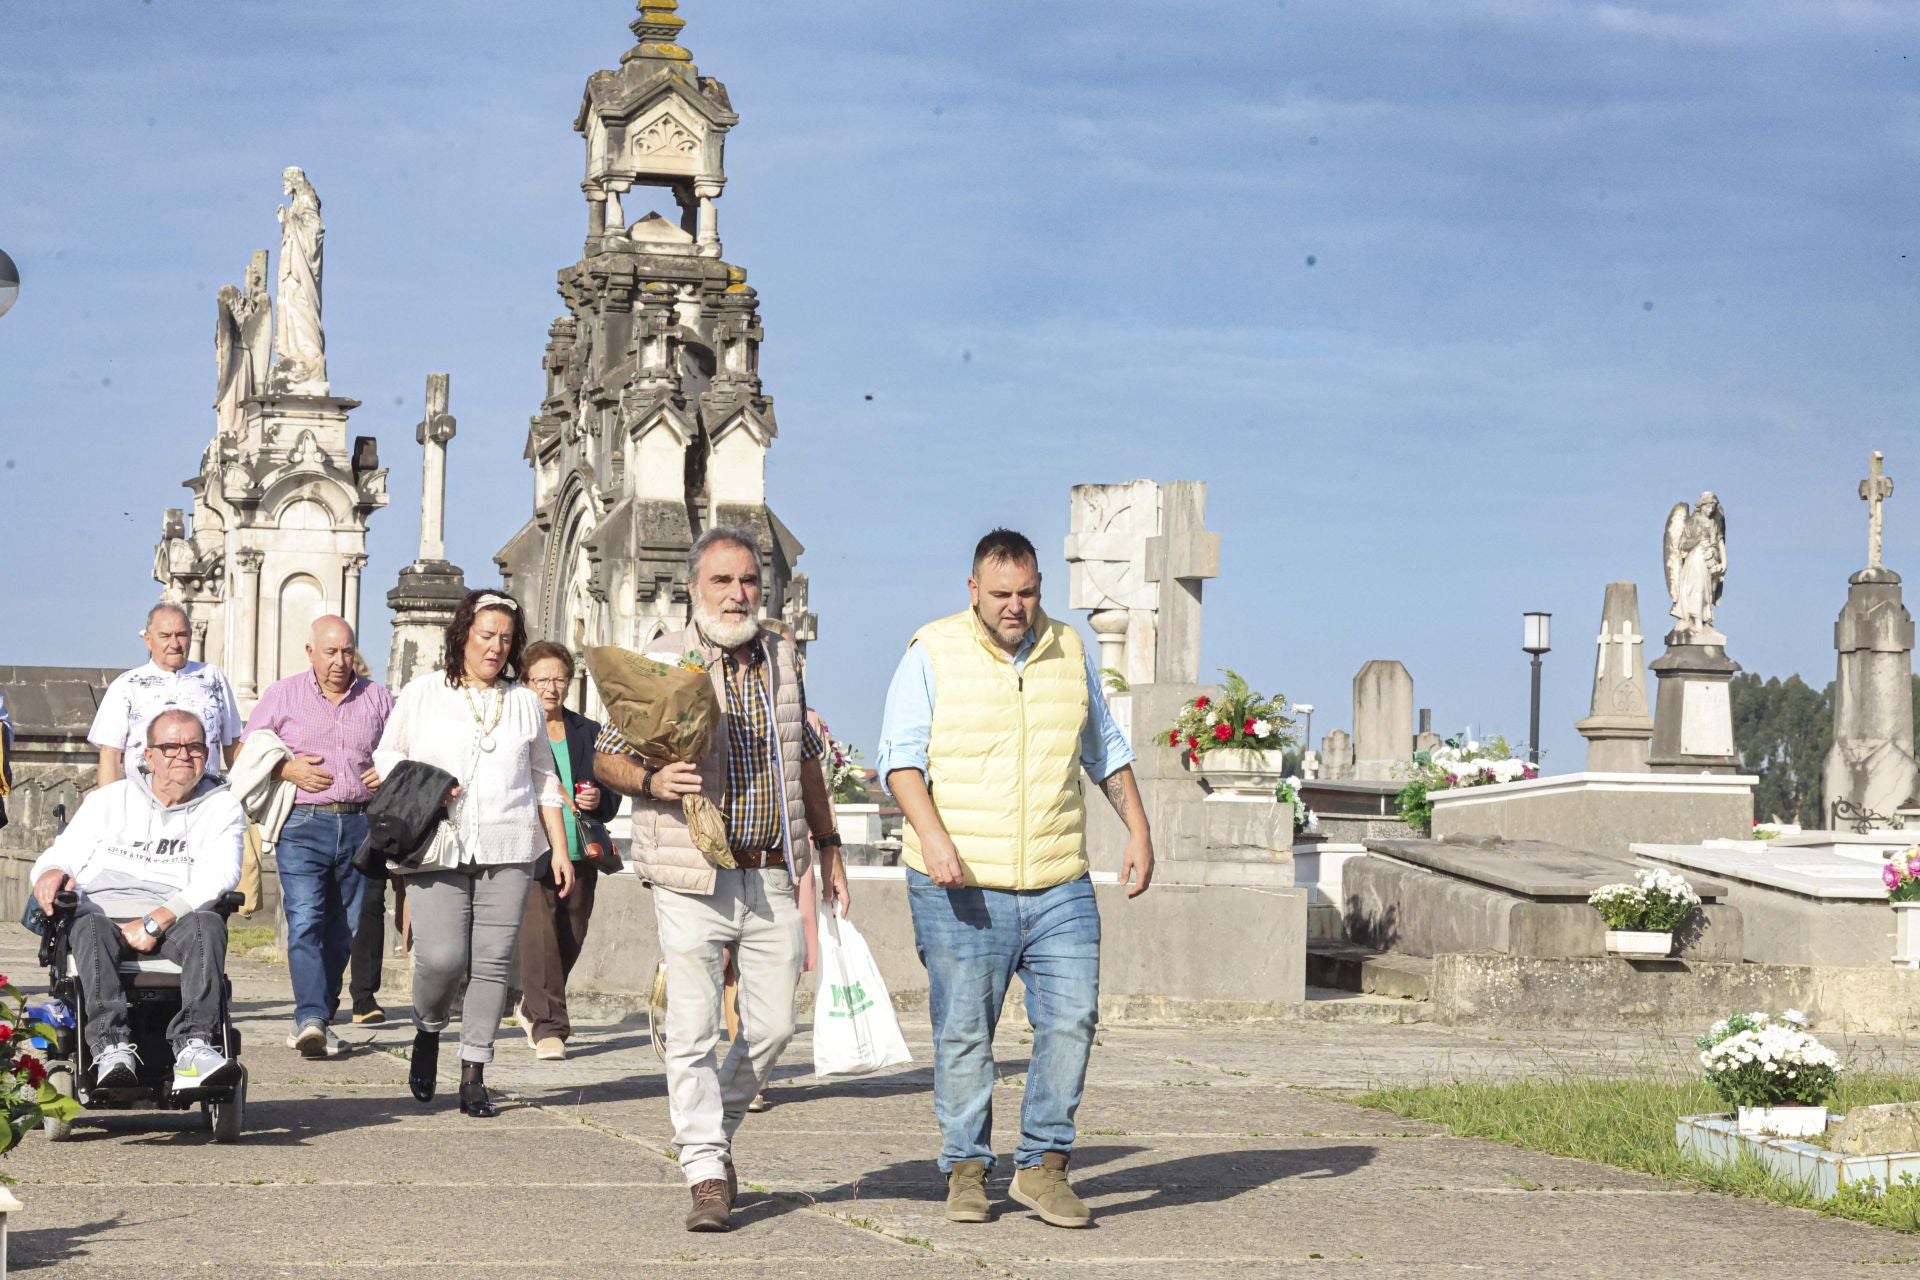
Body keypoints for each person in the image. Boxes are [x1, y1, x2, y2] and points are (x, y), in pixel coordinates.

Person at [878, 528, 1154, 1230]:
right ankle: (967, 1169)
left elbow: (1104, 749)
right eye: (1000, 594)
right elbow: (901, 761)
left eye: (1027, 592)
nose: (1014, 606)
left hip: (1059, 879)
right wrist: (935, 840)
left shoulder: (1069, 650)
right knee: (965, 1032)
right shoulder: (931, 651)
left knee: (1072, 1020)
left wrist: (1140, 830)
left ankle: (1043, 1167)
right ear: (973, 590)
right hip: (960, 884)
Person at [594, 526, 850, 1233]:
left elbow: (804, 762)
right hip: (690, 871)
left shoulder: (782, 659)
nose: (738, 595)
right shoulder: (663, 661)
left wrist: (827, 844)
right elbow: (605, 757)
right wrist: (651, 778)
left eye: (749, 583)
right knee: (694, 1025)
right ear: (694, 589)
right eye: (722, 582)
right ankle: (706, 1170)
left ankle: (713, 1137)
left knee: (771, 1027)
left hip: (771, 867)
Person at [373, 589, 571, 1118]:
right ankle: (427, 1027)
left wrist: (558, 849)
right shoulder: (422, 693)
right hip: (438, 843)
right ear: (462, 634)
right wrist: (430, 785)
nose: (496, 648)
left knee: (491, 965)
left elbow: (544, 778)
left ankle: (474, 1071)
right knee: (442, 958)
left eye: (506, 639)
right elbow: (388, 752)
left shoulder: (525, 701)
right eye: (486, 636)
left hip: (509, 845)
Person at [30, 709, 245, 1093]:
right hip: (104, 914)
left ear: (207, 753)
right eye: (171, 746)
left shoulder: (222, 806)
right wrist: (47, 873)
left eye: (195, 746)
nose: (184, 754)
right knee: (85, 923)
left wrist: (157, 919)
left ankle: (194, 1047)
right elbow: (61, 855)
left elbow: (221, 875)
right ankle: (111, 1047)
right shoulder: (110, 800)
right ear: (148, 756)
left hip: (176, 916)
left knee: (209, 923)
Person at [243, 616, 393, 1057]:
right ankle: (310, 1016)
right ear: (310, 652)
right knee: (306, 918)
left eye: (347, 651)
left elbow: (404, 747)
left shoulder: (377, 697)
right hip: (304, 824)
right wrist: (285, 768)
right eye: (330, 652)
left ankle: (319, 1014)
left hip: (360, 823)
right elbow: (246, 751)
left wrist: (387, 768)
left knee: (344, 928)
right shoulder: (282, 695)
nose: (339, 661)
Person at [515, 640, 621, 1060]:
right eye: (542, 679)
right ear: (526, 682)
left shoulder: (588, 732)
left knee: (571, 934)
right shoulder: (518, 731)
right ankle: (549, 1028)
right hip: (532, 848)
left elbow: (610, 796)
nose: (551, 688)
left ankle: (532, 1004)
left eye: (559, 678)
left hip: (582, 849)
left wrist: (598, 798)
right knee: (540, 935)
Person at [90, 603, 243, 784]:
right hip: (145, 800)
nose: (175, 644)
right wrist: (108, 808)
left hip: (205, 798)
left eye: (181, 635)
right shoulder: (126, 685)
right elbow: (110, 754)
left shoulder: (212, 677)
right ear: (148, 640)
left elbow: (233, 744)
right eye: (165, 636)